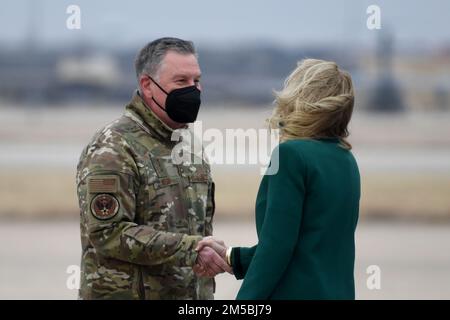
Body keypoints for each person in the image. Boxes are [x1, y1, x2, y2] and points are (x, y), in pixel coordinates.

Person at [76, 37, 230, 300]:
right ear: (147, 85)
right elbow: (108, 232)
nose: (194, 90)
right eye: (181, 82)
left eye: (197, 81)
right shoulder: (113, 147)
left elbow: (200, 230)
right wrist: (190, 249)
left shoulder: (189, 146)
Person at [196, 59, 361, 300]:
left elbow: (277, 249)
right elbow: (309, 245)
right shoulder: (346, 160)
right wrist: (232, 257)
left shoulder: (291, 155)